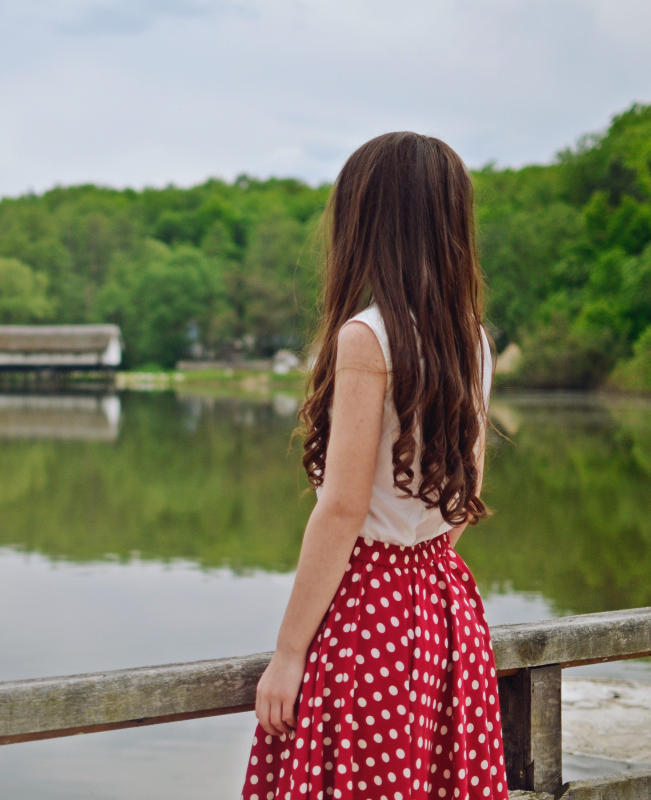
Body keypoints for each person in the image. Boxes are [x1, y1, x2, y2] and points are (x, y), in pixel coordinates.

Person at [241, 132, 507, 800]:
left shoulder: (369, 336)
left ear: (368, 222)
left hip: (372, 613)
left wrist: (290, 652)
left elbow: (341, 508)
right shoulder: (470, 338)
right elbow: (464, 494)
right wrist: (418, 560)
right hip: (445, 606)